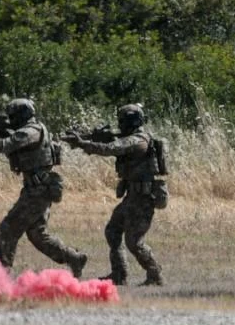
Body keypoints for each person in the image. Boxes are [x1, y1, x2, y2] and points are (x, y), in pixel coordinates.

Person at [0, 98, 88, 277]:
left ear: (22, 115)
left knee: (8, 228)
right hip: (38, 188)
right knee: (38, 235)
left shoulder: (31, 131)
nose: (11, 120)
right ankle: (74, 258)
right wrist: (0, 130)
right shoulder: (32, 129)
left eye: (13, 116)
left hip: (38, 190)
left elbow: (3, 146)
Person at [63, 104, 166, 286]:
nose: (120, 124)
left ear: (130, 121)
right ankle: (119, 274)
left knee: (134, 241)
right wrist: (88, 138)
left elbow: (111, 148)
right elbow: (112, 143)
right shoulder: (131, 138)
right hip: (132, 197)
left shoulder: (138, 140)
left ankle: (155, 274)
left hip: (143, 199)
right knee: (113, 231)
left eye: (122, 121)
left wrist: (83, 144)